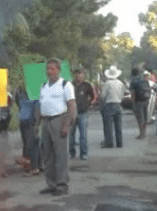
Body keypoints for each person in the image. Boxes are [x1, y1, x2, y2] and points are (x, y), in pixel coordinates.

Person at [36, 58, 76, 196]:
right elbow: (40, 105)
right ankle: (51, 184)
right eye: (48, 69)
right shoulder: (43, 86)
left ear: (58, 70)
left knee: (60, 154)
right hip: (46, 121)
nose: (50, 71)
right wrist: (37, 124)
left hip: (59, 120)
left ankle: (62, 184)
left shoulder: (65, 84)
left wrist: (67, 124)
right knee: (47, 155)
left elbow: (71, 105)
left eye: (53, 69)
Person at [69, 68, 97, 160]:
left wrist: (89, 105)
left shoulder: (87, 85)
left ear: (83, 75)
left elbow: (94, 97)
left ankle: (83, 153)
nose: (78, 75)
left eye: (80, 73)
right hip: (71, 113)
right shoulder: (69, 85)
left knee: (83, 135)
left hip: (83, 113)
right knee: (70, 135)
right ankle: (71, 152)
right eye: (76, 73)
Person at [14, 84, 41, 176]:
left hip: (31, 121)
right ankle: (32, 165)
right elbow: (18, 103)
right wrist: (16, 92)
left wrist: (36, 124)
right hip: (23, 121)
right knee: (27, 144)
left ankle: (35, 167)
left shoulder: (36, 93)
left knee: (32, 144)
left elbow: (38, 108)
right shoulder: (21, 93)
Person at [99, 66, 125, 148]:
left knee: (108, 125)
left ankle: (109, 143)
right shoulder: (121, 83)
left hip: (109, 105)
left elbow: (103, 96)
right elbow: (122, 95)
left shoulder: (107, 84)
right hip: (118, 104)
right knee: (118, 125)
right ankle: (119, 142)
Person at [129, 67, 149, 139]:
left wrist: (133, 102)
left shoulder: (133, 82)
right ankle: (144, 132)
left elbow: (133, 93)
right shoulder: (144, 80)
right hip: (145, 100)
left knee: (140, 118)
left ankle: (141, 134)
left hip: (138, 101)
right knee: (145, 116)